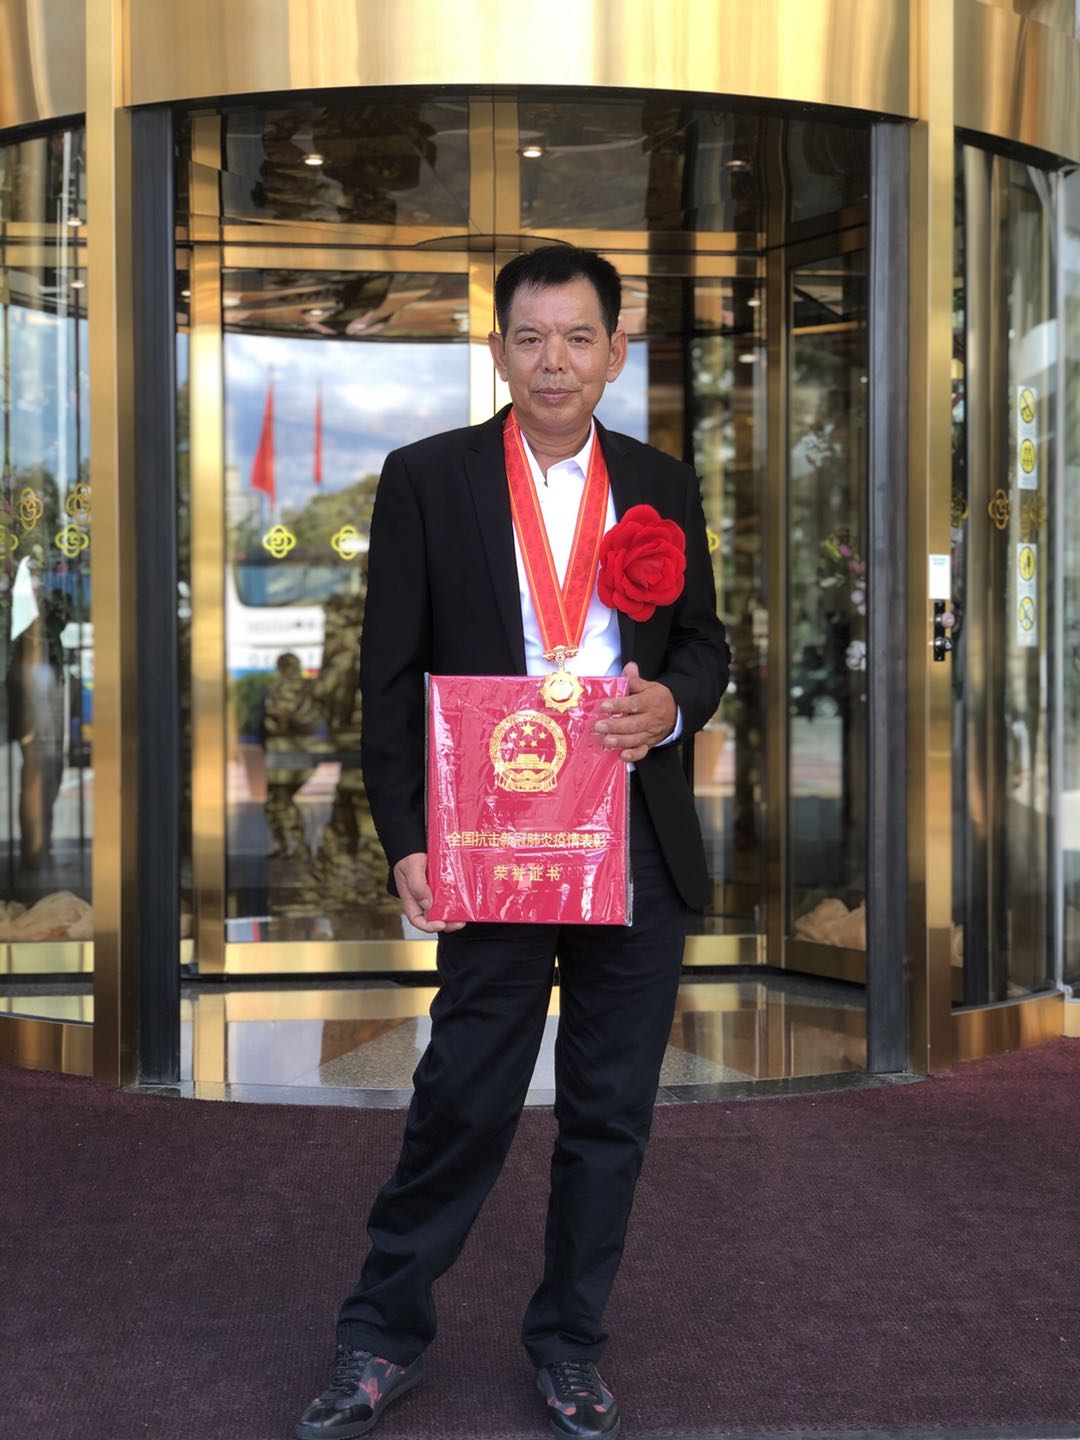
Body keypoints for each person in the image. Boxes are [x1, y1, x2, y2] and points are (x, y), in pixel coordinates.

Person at [295, 246, 730, 1440]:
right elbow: (388, 677)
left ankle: (570, 1345)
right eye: (530, 337)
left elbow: (705, 642)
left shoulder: (661, 482)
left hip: (632, 833)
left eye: (578, 337)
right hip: (493, 834)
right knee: (466, 1092)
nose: (554, 360)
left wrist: (673, 703)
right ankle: (380, 1334)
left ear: (614, 353)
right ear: (497, 352)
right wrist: (406, 837)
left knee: (610, 1111)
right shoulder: (427, 479)